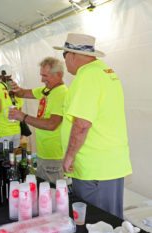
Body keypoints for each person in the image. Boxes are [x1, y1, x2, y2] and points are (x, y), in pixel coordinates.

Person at [54, 33, 132, 218]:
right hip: (109, 163)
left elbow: (81, 124)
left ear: (71, 55)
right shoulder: (105, 71)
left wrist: (69, 156)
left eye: (64, 57)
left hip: (94, 167)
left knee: (97, 221)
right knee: (110, 220)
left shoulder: (87, 76)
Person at [8, 57, 68, 183]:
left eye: (45, 76)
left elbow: (52, 124)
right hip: (44, 153)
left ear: (59, 74)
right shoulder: (48, 90)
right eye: (41, 75)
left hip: (53, 155)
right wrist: (16, 88)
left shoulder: (61, 93)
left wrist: (23, 117)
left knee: (51, 195)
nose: (42, 80)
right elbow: (23, 93)